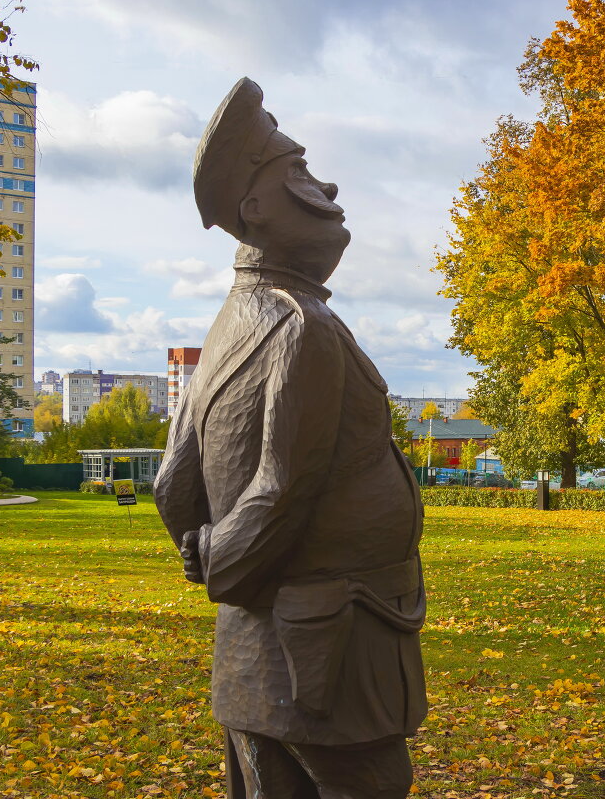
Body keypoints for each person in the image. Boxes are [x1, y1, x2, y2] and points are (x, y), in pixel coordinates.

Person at [153, 77, 426, 799]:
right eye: (298, 171)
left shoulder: (230, 321)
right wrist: (222, 560)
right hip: (325, 650)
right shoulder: (299, 324)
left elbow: (171, 484)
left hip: (267, 644)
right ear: (253, 208)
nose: (326, 184)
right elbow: (280, 491)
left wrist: (208, 555)